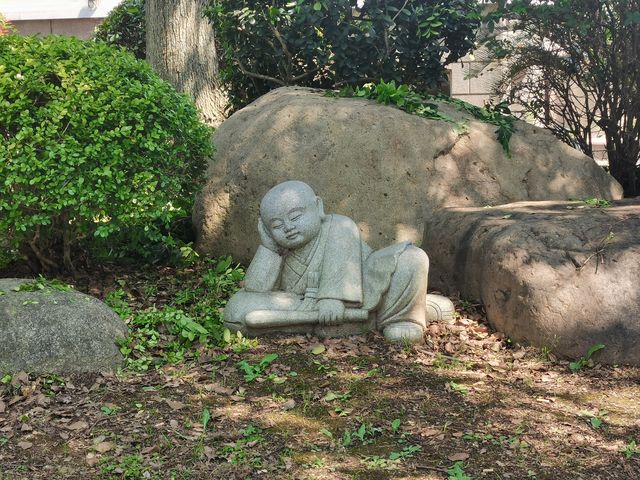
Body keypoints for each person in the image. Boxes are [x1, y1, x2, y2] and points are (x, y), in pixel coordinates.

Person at [224, 180, 429, 343]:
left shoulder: (339, 226)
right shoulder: (280, 251)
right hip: (310, 307)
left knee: (413, 258)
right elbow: (255, 289)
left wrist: (332, 298)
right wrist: (269, 247)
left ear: (318, 207)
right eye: (276, 225)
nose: (287, 227)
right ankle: (377, 316)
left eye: (295, 217)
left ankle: (403, 317)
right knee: (238, 305)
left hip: (366, 287)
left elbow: (342, 273)